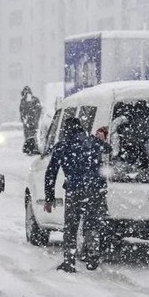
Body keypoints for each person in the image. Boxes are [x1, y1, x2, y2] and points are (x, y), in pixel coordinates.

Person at [44, 117, 112, 273]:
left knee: (71, 226)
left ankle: (69, 262)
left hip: (74, 190)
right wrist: (100, 137)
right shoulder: (92, 142)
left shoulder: (62, 146)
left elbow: (51, 173)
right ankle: (93, 257)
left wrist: (49, 198)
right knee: (92, 223)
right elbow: (108, 149)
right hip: (95, 189)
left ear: (65, 130)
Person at [20, 86, 43, 155]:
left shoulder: (24, 101)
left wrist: (24, 119)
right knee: (32, 135)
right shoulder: (34, 100)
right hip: (32, 122)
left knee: (29, 136)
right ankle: (32, 148)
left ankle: (30, 149)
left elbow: (22, 111)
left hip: (28, 122)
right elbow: (39, 110)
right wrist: (35, 119)